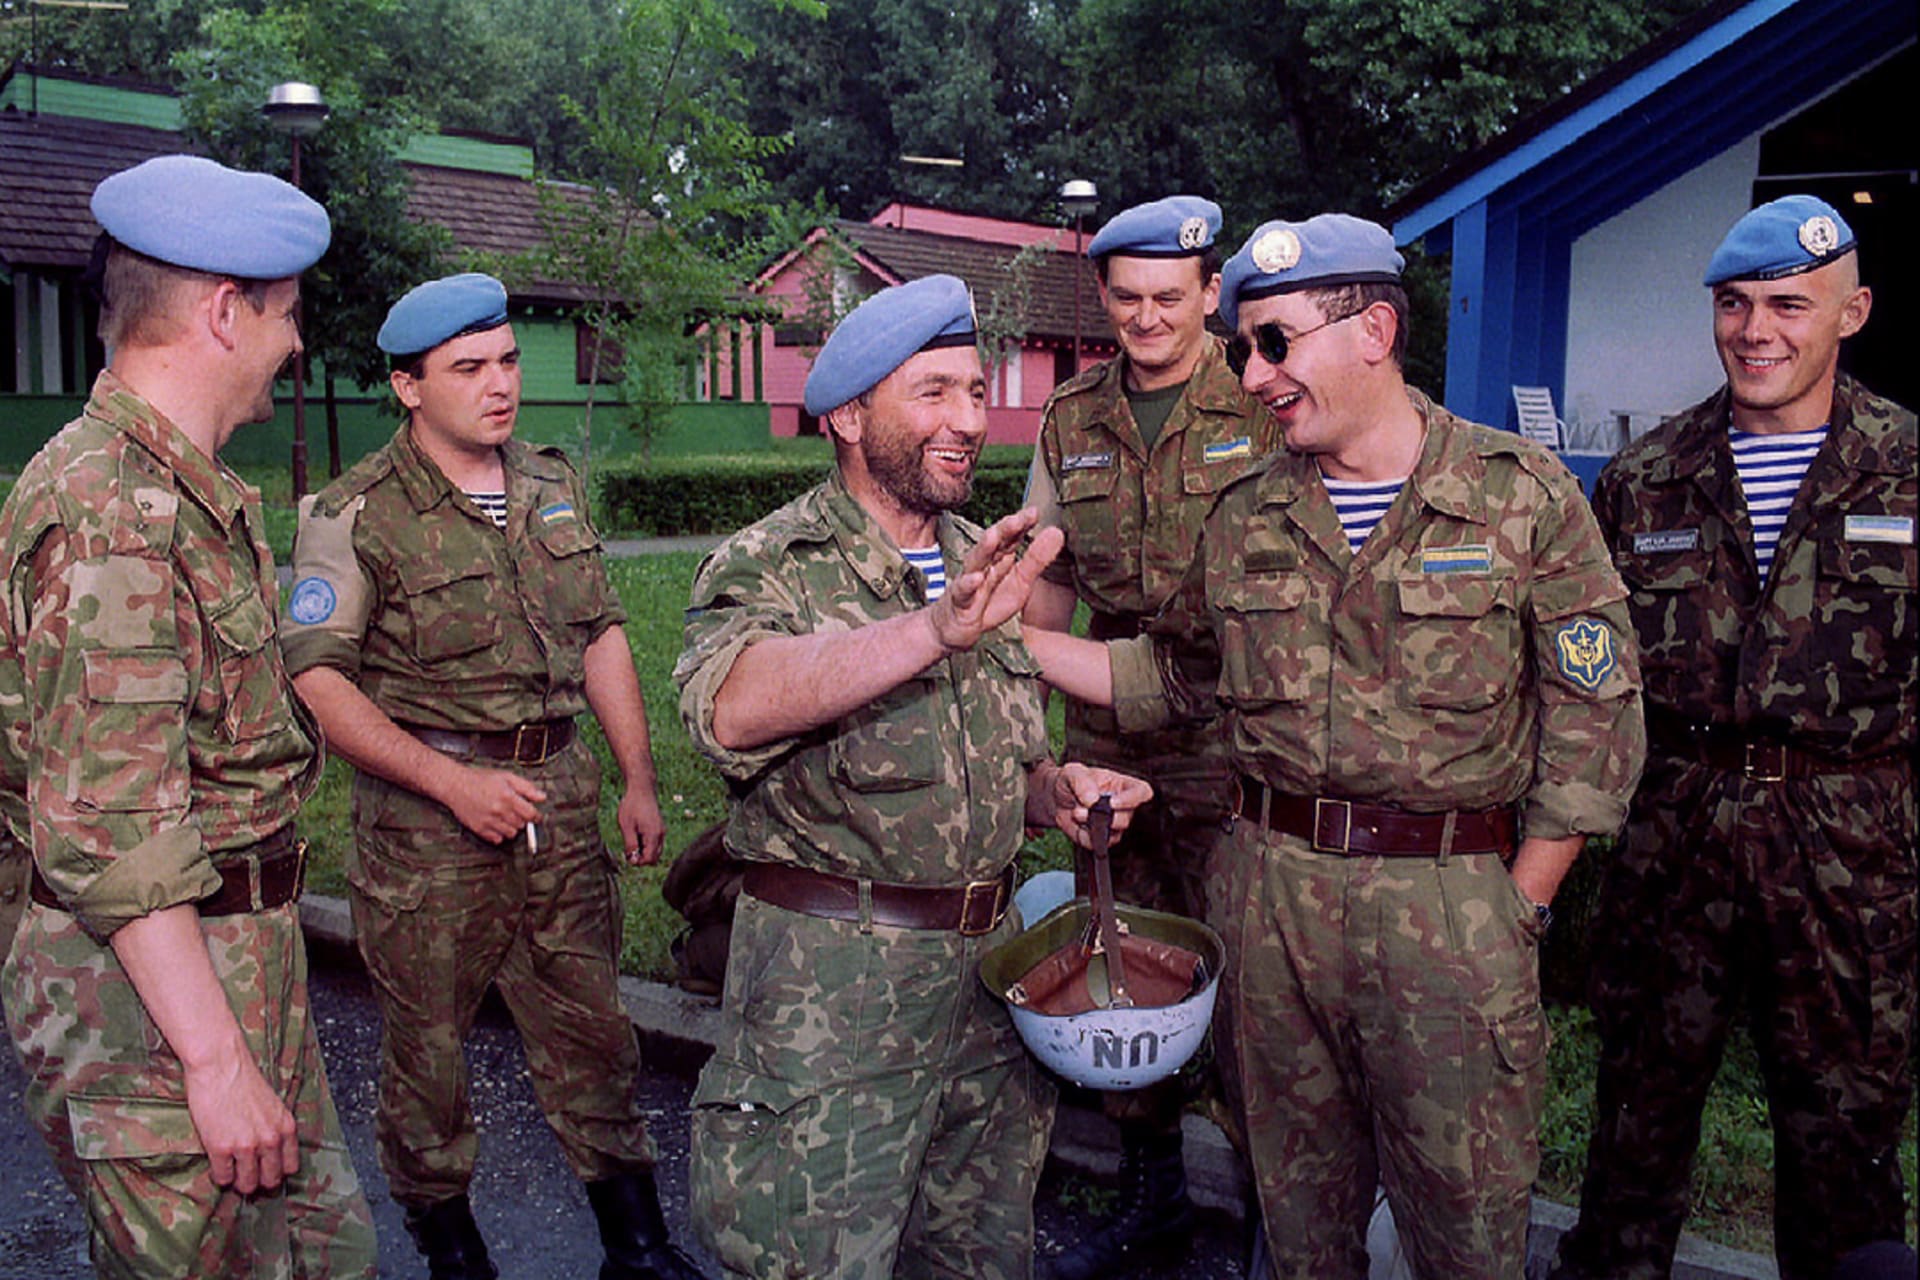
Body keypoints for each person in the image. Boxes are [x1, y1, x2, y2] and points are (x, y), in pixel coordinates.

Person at [1025, 214, 1645, 1278]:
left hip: (1448, 914)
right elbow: (1178, 677)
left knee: (1466, 1235)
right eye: (1244, 348)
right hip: (1270, 905)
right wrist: (1008, 637)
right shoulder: (1246, 513)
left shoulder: (1519, 494)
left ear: (1375, 331)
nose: (1254, 375)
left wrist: (1523, 898)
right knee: (1300, 1233)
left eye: (1276, 343)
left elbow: (1597, 714)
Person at [675, 273, 1154, 1280]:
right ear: (849, 417)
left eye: (975, 391)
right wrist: (931, 629)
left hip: (987, 999)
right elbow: (730, 707)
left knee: (979, 1258)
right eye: (932, 392)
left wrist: (1060, 793)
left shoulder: (986, 558)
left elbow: (1009, 753)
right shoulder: (773, 562)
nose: (969, 420)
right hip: (833, 1012)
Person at [280, 273, 702, 1280]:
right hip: (428, 834)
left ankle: (638, 1250)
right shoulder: (354, 513)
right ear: (408, 386)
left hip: (556, 802)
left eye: (507, 361)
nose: (500, 383)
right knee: (428, 1057)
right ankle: (454, 1255)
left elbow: (600, 631)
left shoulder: (551, 483)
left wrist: (636, 778)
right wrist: (449, 783)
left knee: (593, 1031)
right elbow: (319, 681)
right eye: (468, 367)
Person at [0, 154, 377, 1279]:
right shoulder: (110, 508)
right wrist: (215, 1065)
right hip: (156, 1016)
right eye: (286, 314)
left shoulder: (177, 488)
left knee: (329, 1256)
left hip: (233, 966)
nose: (294, 344)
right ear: (223, 312)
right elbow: (113, 831)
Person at [1550, 195, 1916, 1280]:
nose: (1756, 331)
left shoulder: (1908, 469)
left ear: (1852, 311)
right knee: (1635, 1125)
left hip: (1851, 850)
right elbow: (1591, 680)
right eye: (1734, 304)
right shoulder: (1646, 477)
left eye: (1789, 305)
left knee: (1846, 1144)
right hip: (1676, 836)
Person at [1022, 192, 1279, 1280]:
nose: (1147, 318)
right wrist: (1039, 748)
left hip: (1238, 733)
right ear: (1103, 296)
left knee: (1257, 988)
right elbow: (1045, 589)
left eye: (1170, 297)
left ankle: (1278, 1221)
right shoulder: (1070, 417)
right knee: (1124, 965)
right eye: (1126, 298)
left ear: (1212, 294)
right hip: (1108, 733)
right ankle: (1153, 1192)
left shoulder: (1265, 401)